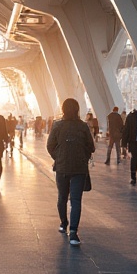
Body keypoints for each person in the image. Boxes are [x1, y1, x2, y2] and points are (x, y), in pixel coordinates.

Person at [48, 97, 94, 246]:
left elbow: (50, 146)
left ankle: (63, 223)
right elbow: (91, 147)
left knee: (62, 197)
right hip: (79, 168)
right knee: (76, 200)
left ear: (62, 110)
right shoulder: (83, 126)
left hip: (61, 168)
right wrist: (83, 157)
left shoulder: (57, 125)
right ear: (77, 109)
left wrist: (59, 157)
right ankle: (73, 232)